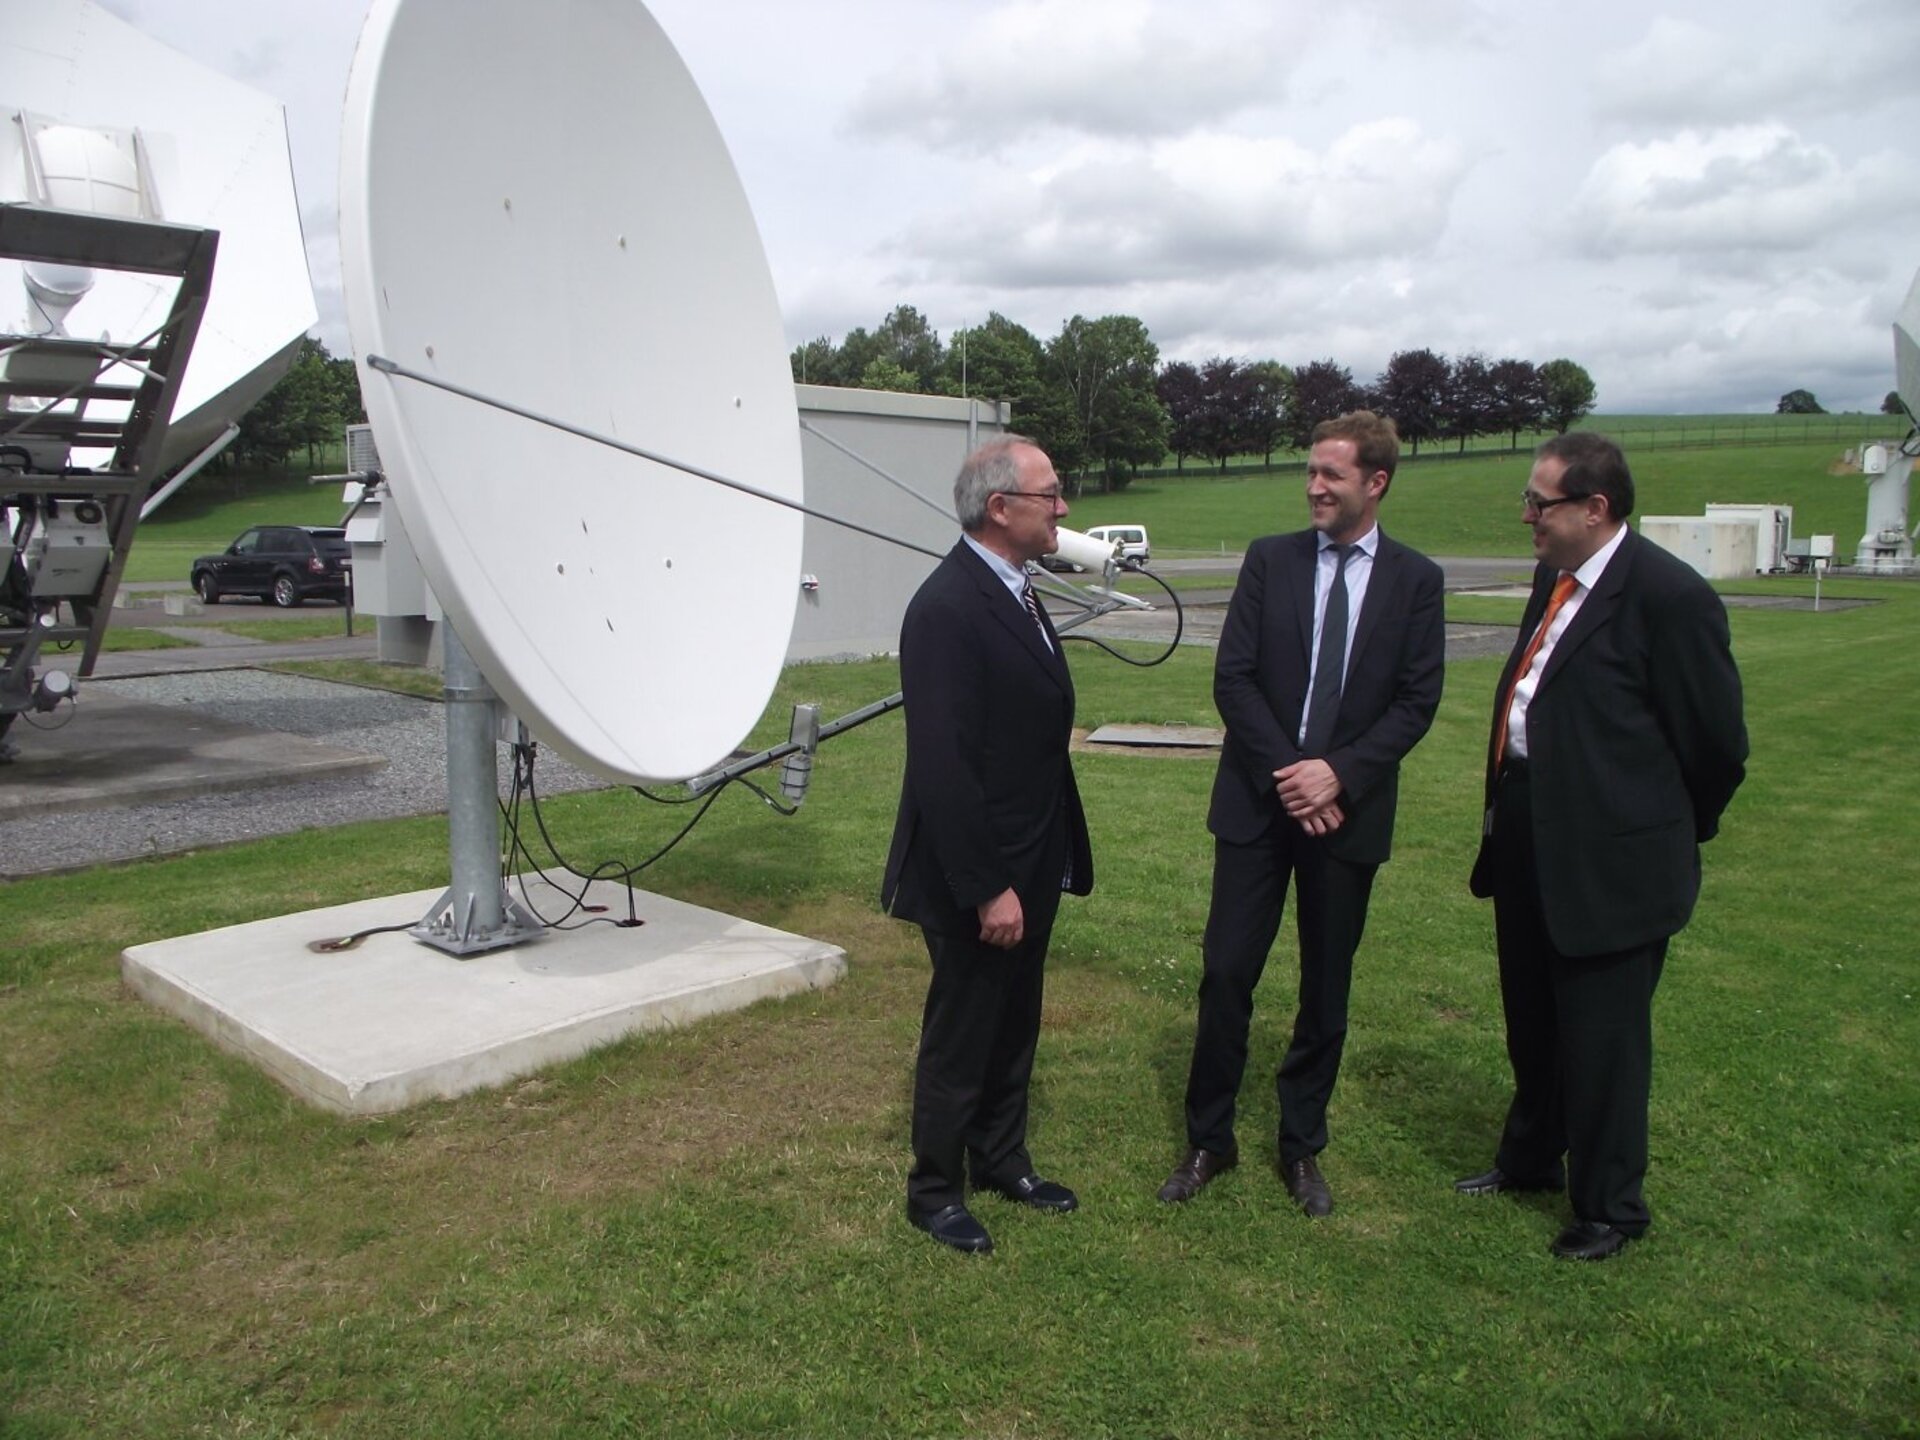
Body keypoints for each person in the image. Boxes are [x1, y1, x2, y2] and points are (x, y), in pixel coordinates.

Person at [1458, 432, 1746, 1261]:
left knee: (1604, 1038)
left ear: (1596, 508)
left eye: (1540, 503)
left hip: (1614, 859)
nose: (1527, 517)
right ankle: (1530, 1159)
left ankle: (1611, 1207)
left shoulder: (1669, 596)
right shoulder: (1557, 579)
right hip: (1527, 833)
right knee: (1534, 1019)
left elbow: (1715, 744)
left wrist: (1661, 829)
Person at [1159, 410, 1444, 1217]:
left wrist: (1339, 776)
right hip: (1258, 805)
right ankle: (1209, 1138)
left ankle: (1302, 1146)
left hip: (1346, 818)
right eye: (1311, 472)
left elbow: (1417, 701)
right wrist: (1293, 774)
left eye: (1333, 475)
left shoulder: (1416, 582)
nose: (1315, 487)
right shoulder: (1270, 561)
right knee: (1226, 972)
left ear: (1376, 482)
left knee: (1327, 987)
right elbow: (1234, 679)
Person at [881, 435, 1094, 1255]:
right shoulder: (946, 607)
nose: (1064, 508)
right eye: (1051, 494)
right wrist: (986, 887)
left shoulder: (1016, 590)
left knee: (1015, 1021)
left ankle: (1003, 1158)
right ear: (1001, 508)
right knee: (964, 1030)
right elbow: (944, 765)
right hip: (978, 873)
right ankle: (935, 1191)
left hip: (1030, 857)